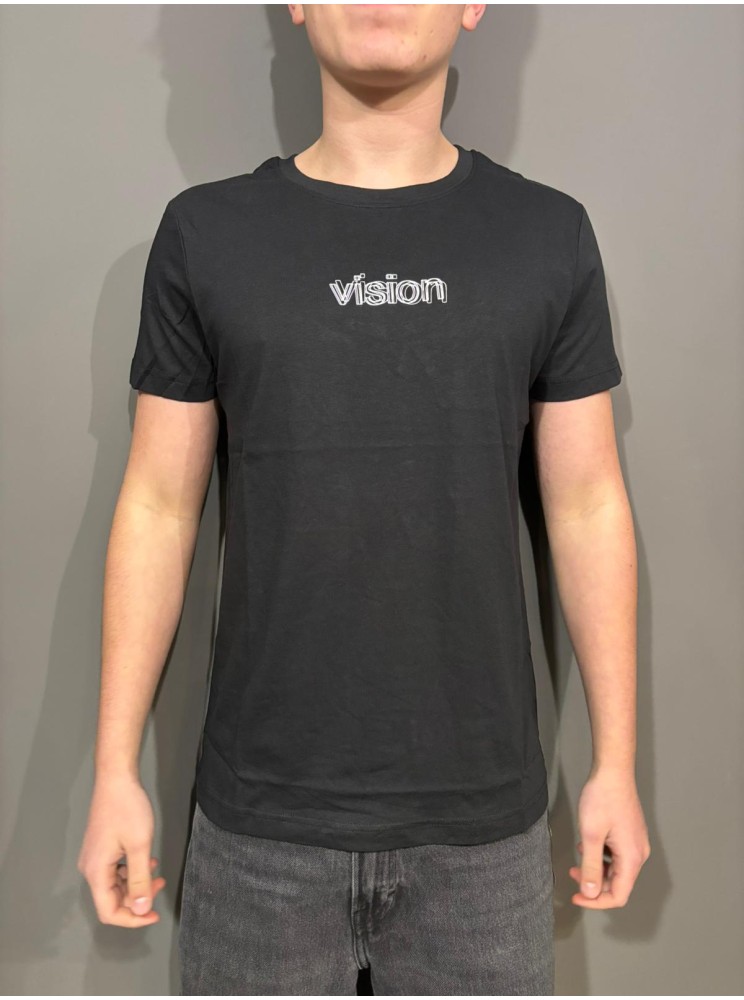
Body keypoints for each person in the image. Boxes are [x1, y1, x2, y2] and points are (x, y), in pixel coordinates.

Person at [77, 3, 651, 994]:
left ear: (474, 5)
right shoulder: (207, 235)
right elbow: (159, 506)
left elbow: (589, 503)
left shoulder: (546, 235)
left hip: (484, 840)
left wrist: (615, 764)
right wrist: (114, 769)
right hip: (258, 834)